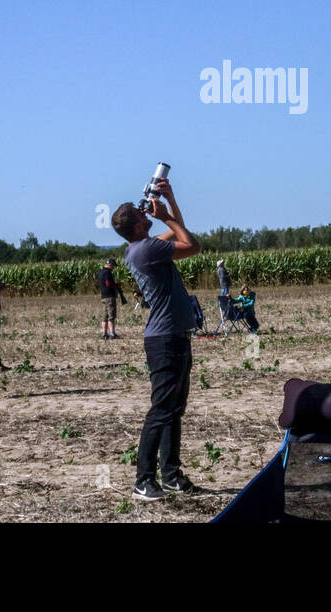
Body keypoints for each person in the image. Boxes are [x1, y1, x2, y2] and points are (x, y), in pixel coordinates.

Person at [111, 177, 201, 502]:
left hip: (171, 335)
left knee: (173, 408)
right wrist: (165, 215)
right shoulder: (146, 249)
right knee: (161, 409)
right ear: (136, 226)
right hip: (164, 340)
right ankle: (143, 480)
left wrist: (171, 200)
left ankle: (172, 475)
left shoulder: (143, 248)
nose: (143, 212)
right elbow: (193, 246)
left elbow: (181, 232)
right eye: (140, 213)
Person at [97, 258, 126, 340]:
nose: (114, 268)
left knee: (105, 316)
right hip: (109, 297)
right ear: (110, 265)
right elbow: (108, 283)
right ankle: (112, 334)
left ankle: (104, 334)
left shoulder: (101, 273)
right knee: (111, 316)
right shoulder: (107, 273)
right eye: (113, 266)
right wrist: (116, 285)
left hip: (103, 296)